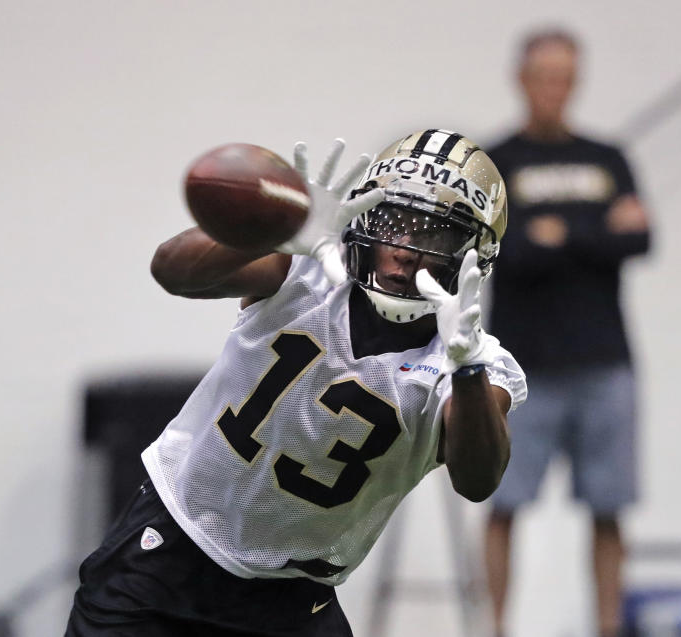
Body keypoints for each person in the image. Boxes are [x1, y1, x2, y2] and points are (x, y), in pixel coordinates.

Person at [65, 130, 528, 636]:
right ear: (366, 216)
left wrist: (467, 371)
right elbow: (172, 271)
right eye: (395, 222)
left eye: (434, 235)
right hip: (170, 553)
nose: (407, 250)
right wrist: (274, 231)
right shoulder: (306, 270)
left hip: (294, 598)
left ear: (473, 253)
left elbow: (478, 479)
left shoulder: (475, 363)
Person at [484, 30, 652, 637]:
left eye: (566, 75)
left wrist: (560, 233)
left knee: (609, 510)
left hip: (604, 361)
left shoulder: (608, 157)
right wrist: (593, 231)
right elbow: (501, 250)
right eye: (544, 75)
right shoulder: (496, 161)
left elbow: (639, 238)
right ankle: (496, 627)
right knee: (502, 505)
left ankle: (608, 628)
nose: (556, 87)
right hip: (518, 368)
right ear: (522, 79)